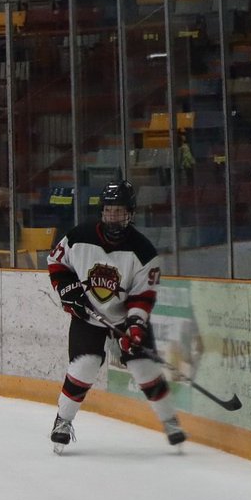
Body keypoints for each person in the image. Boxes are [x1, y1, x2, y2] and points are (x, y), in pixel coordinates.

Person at [46, 180, 186, 453]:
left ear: (130, 213)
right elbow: (56, 262)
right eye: (109, 211)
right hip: (88, 315)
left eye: (119, 211)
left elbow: (143, 296)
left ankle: (170, 421)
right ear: (102, 212)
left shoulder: (143, 251)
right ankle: (63, 420)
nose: (114, 217)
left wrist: (134, 325)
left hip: (125, 317)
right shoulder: (79, 236)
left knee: (144, 367)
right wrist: (68, 290)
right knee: (85, 364)